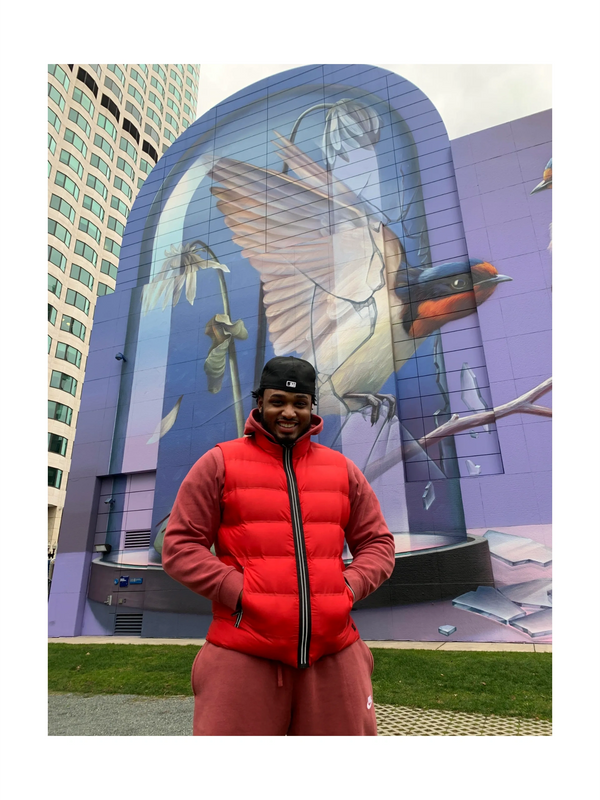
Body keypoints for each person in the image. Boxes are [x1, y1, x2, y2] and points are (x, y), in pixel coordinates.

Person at [162, 356, 395, 735]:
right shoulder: (219, 463)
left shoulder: (342, 470)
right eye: (278, 402)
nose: (289, 412)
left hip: (335, 654)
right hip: (241, 652)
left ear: (310, 408)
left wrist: (346, 589)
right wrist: (239, 591)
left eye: (299, 403)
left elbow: (378, 544)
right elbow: (180, 546)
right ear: (260, 404)